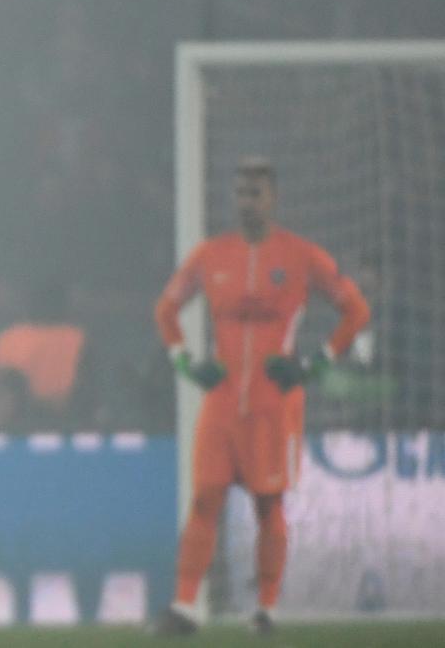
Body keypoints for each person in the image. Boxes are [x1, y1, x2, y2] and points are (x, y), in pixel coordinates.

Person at [150, 156, 370, 636]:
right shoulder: (210, 256)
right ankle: (185, 607)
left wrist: (316, 363)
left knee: (268, 506)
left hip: (274, 403)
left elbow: (355, 309)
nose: (246, 202)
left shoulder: (302, 255)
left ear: (273, 199)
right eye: (240, 193)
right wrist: (186, 363)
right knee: (205, 497)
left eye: (255, 193)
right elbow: (166, 309)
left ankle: (267, 610)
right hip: (223, 401)